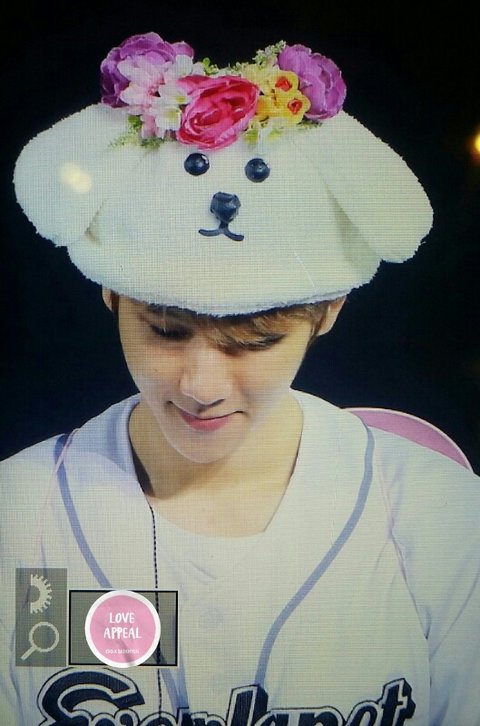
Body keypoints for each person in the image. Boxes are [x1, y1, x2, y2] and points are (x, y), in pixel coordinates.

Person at [1, 32, 479, 725]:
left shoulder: (435, 513)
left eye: (254, 343)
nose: (201, 384)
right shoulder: (22, 516)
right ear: (110, 293)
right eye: (165, 332)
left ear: (329, 310)